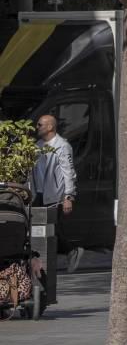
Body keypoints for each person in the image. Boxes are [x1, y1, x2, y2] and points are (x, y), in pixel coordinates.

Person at [29, 114, 80, 272]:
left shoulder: (62, 146)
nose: (37, 128)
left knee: (51, 229)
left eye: (40, 125)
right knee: (38, 229)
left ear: (50, 127)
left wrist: (68, 196)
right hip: (39, 194)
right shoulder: (37, 145)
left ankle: (72, 251)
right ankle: (43, 262)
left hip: (55, 195)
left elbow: (69, 173)